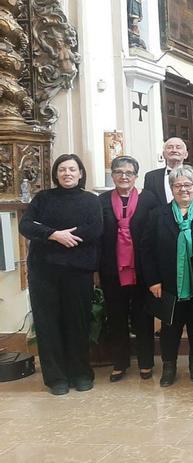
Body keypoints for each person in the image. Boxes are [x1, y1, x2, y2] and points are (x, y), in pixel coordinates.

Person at [20, 154, 103, 395]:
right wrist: (54, 234)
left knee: (77, 323)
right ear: (56, 174)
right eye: (63, 169)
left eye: (72, 169)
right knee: (47, 324)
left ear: (80, 174)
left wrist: (66, 237)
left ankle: (81, 373)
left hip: (78, 271)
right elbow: (26, 225)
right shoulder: (43, 198)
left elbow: (95, 229)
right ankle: (56, 378)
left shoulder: (90, 200)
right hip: (44, 271)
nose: (67, 173)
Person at [142, 166, 193, 387]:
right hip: (168, 282)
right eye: (178, 185)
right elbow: (147, 250)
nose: (183, 189)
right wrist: (153, 280)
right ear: (171, 189)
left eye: (188, 185)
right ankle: (169, 367)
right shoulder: (157, 215)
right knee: (169, 328)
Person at [98, 155, 159, 382]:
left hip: (142, 269)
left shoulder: (149, 199)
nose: (124, 176)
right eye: (119, 172)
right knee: (116, 317)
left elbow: (155, 235)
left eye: (129, 173)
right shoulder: (101, 201)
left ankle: (145, 363)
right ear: (112, 175)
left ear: (136, 176)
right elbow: (98, 236)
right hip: (112, 269)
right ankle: (120, 363)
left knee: (143, 317)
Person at [143, 137, 193, 204]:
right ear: (164, 154)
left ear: (186, 155)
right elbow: (148, 202)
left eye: (178, 147)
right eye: (170, 147)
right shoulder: (151, 177)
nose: (174, 150)